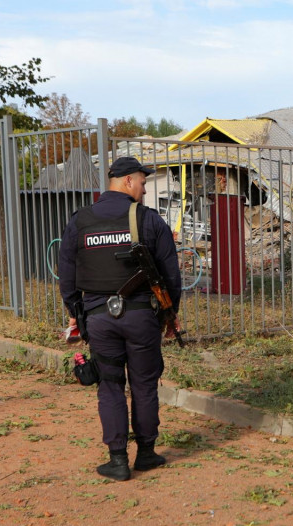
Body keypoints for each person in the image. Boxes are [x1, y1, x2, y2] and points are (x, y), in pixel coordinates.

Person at [59, 156, 181, 482]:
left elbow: (67, 274)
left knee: (110, 386)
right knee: (143, 384)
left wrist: (75, 313)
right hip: (141, 317)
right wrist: (171, 314)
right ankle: (145, 453)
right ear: (128, 181)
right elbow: (171, 274)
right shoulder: (149, 221)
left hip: (98, 318)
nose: (143, 189)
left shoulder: (80, 221)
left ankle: (117, 460)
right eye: (142, 182)